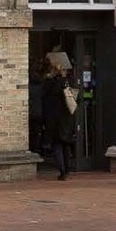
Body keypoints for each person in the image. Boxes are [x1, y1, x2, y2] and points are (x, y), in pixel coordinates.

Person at [36, 50, 76, 180]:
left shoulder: (49, 82)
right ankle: (67, 169)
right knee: (65, 143)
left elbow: (43, 96)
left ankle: (62, 170)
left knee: (57, 144)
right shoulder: (68, 82)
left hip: (53, 117)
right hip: (66, 117)